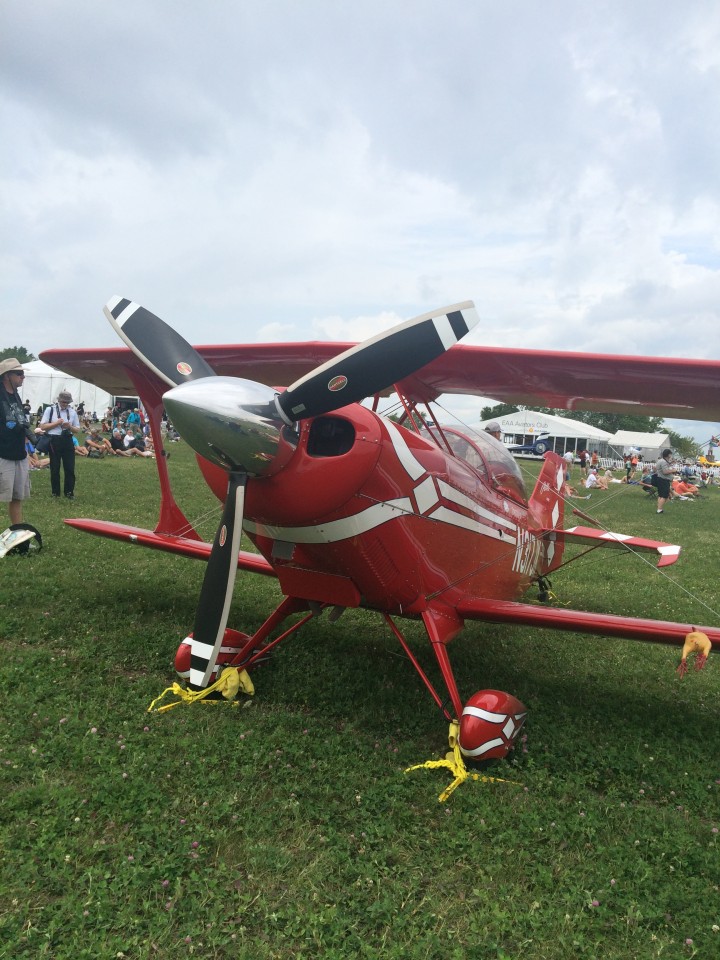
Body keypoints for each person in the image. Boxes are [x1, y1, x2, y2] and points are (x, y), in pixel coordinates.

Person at [0, 357, 32, 525]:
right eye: (19, 374)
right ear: (7, 376)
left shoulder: (16, 396)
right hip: (2, 454)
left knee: (16, 497)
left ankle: (17, 535)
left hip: (19, 453)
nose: (22, 377)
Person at [40, 390, 82, 499]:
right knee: (55, 467)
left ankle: (69, 492)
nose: (65, 404)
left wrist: (69, 427)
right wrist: (57, 423)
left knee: (69, 467)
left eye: (67, 402)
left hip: (68, 439)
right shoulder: (50, 410)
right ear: (59, 400)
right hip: (54, 440)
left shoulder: (72, 412)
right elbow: (42, 426)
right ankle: (55, 492)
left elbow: (77, 429)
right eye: (63, 402)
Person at [654, 448, 675, 514]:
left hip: (661, 480)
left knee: (660, 495)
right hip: (663, 480)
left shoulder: (661, 461)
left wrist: (670, 463)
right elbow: (665, 472)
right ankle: (659, 509)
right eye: (670, 454)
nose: (671, 455)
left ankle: (659, 507)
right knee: (664, 496)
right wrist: (673, 470)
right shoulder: (663, 461)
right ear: (668, 454)